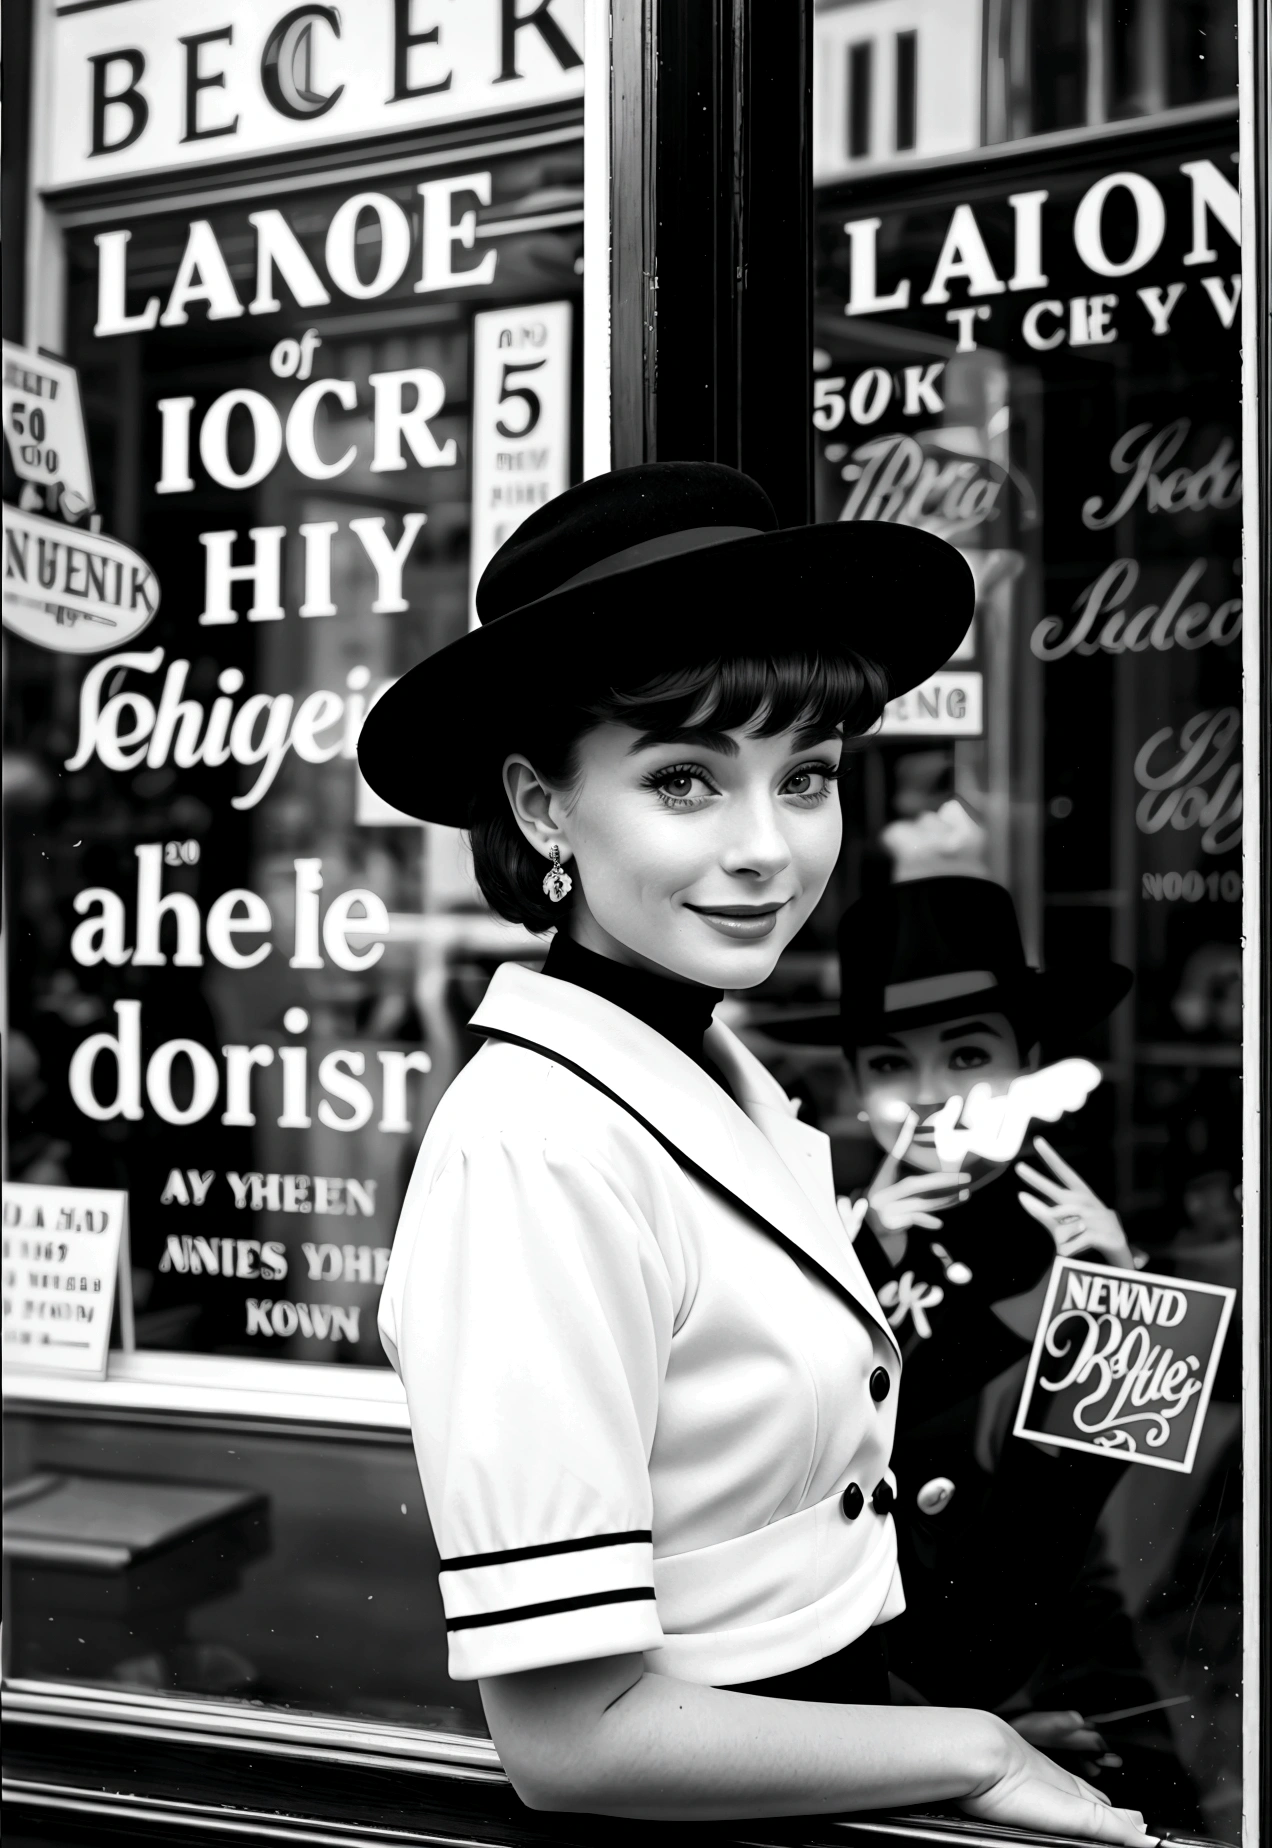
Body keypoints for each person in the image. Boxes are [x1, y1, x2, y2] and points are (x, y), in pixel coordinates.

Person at [359, 461, 1151, 1838]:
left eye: (809, 778)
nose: (767, 849)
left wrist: (919, 1728)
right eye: (684, 781)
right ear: (544, 808)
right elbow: (576, 1741)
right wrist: (965, 1752)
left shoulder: (723, 1088)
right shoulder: (535, 1151)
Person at [760, 874, 1199, 1809]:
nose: (929, 1100)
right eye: (889, 1067)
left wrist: (1124, 1302)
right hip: (861, 1725)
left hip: (1070, 1710)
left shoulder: (1093, 1256)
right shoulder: (808, 1244)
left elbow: (1124, 1533)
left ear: (1030, 1064)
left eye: (967, 1057)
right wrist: (851, 1261)